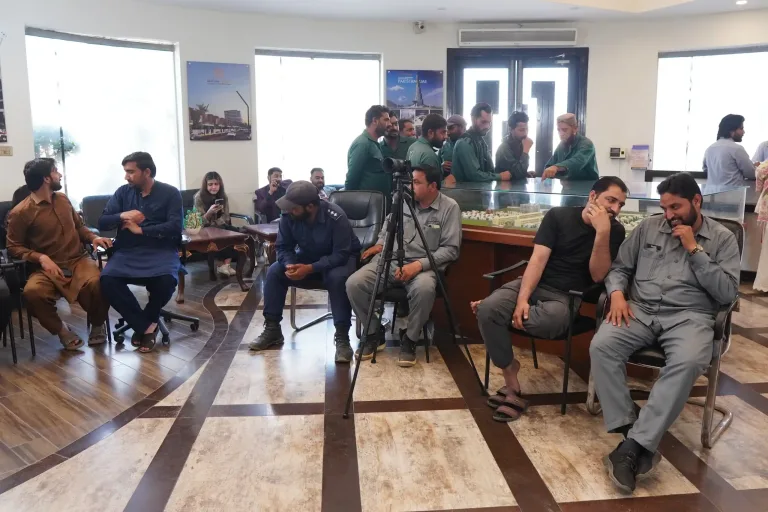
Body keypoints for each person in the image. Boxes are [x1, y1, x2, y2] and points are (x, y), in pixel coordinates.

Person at [590, 173, 740, 494]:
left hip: (690, 317)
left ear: (696, 201)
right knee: (602, 345)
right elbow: (620, 268)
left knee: (688, 362)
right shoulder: (648, 227)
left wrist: (694, 250)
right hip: (640, 310)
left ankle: (631, 448)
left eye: (676, 207)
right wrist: (616, 293)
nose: (669, 215)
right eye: (664, 208)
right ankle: (634, 435)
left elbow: (728, 293)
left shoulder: (723, 238)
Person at [472, 177, 628, 422]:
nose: (615, 209)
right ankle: (511, 379)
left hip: (566, 297)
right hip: (533, 284)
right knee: (490, 310)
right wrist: (522, 300)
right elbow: (537, 260)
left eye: (621, 205)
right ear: (592, 196)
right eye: (611, 200)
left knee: (517, 316)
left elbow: (598, 275)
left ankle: (491, 312)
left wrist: (602, 233)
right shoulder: (558, 216)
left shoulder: (614, 231)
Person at [347, 165, 461, 366]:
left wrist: (418, 265)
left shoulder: (449, 207)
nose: (410, 186)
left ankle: (410, 338)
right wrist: (380, 243)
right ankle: (373, 332)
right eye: (410, 181)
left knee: (424, 289)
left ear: (432, 186)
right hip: (391, 260)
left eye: (416, 182)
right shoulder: (403, 201)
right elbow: (388, 224)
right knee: (354, 283)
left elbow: (451, 250)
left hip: (423, 266)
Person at [5, 158, 112, 350]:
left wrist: (93, 238)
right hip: (47, 269)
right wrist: (41, 257)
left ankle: (97, 324)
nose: (60, 175)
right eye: (56, 171)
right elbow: (13, 247)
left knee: (99, 282)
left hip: (78, 260)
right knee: (33, 293)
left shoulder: (63, 199)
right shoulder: (20, 212)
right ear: (46, 178)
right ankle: (62, 331)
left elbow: (79, 227)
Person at [249, 181, 361, 362]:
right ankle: (272, 329)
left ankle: (342, 338)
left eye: (294, 208)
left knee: (337, 278)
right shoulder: (289, 215)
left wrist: (310, 268)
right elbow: (283, 247)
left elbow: (341, 254)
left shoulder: (336, 217)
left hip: (339, 260)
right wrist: (290, 265)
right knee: (275, 271)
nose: (289, 211)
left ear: (310, 207)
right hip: (309, 257)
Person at [98, 152, 183, 354]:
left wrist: (142, 230)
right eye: (125, 172)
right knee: (107, 279)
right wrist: (123, 215)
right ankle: (146, 326)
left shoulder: (170, 193)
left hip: (161, 249)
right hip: (128, 250)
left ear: (147, 172)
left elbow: (175, 226)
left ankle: (144, 322)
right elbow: (102, 222)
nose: (126, 177)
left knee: (166, 281)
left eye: (130, 172)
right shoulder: (123, 193)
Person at [452, 103, 513, 182]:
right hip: (463, 190)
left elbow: (490, 170)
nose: (487, 126)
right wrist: (500, 176)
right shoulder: (464, 143)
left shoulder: (480, 141)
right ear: (473, 119)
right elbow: (474, 175)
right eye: (483, 122)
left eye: (489, 122)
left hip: (477, 189)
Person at [194, 171, 237, 276]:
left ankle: (226, 265)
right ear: (206, 185)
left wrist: (217, 224)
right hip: (204, 228)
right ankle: (221, 265)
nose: (213, 187)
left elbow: (226, 216)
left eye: (216, 184)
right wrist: (209, 213)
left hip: (220, 225)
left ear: (220, 184)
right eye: (210, 184)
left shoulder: (223, 196)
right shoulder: (198, 197)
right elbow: (198, 222)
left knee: (235, 232)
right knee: (218, 235)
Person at [345, 105, 391, 200]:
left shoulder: (374, 144)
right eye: (386, 120)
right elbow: (352, 178)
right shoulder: (363, 144)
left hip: (377, 203)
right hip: (365, 204)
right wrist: (349, 202)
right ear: (375, 121)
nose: (389, 124)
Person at [541, 113, 599, 180]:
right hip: (566, 185)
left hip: (587, 184)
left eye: (564, 129)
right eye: (559, 130)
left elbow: (577, 161)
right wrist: (549, 171)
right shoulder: (562, 145)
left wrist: (556, 167)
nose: (561, 133)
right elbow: (551, 164)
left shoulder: (586, 144)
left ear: (575, 128)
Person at [703, 114, 756, 187]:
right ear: (732, 130)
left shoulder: (709, 149)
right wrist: (759, 168)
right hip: (733, 192)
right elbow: (751, 173)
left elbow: (706, 170)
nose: (743, 132)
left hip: (711, 192)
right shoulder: (736, 149)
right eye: (741, 128)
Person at [495, 111, 534, 180]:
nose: (525, 133)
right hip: (504, 186)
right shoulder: (504, 148)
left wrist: (525, 173)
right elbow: (518, 173)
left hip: (514, 186)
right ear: (511, 129)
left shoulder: (520, 143)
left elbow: (515, 171)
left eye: (527, 129)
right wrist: (526, 151)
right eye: (521, 130)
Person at [438, 115, 466, 181]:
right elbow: (436, 166)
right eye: (447, 129)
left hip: (468, 185)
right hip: (448, 184)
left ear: (462, 127)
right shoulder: (444, 146)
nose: (448, 133)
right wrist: (441, 167)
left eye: (451, 128)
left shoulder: (471, 144)